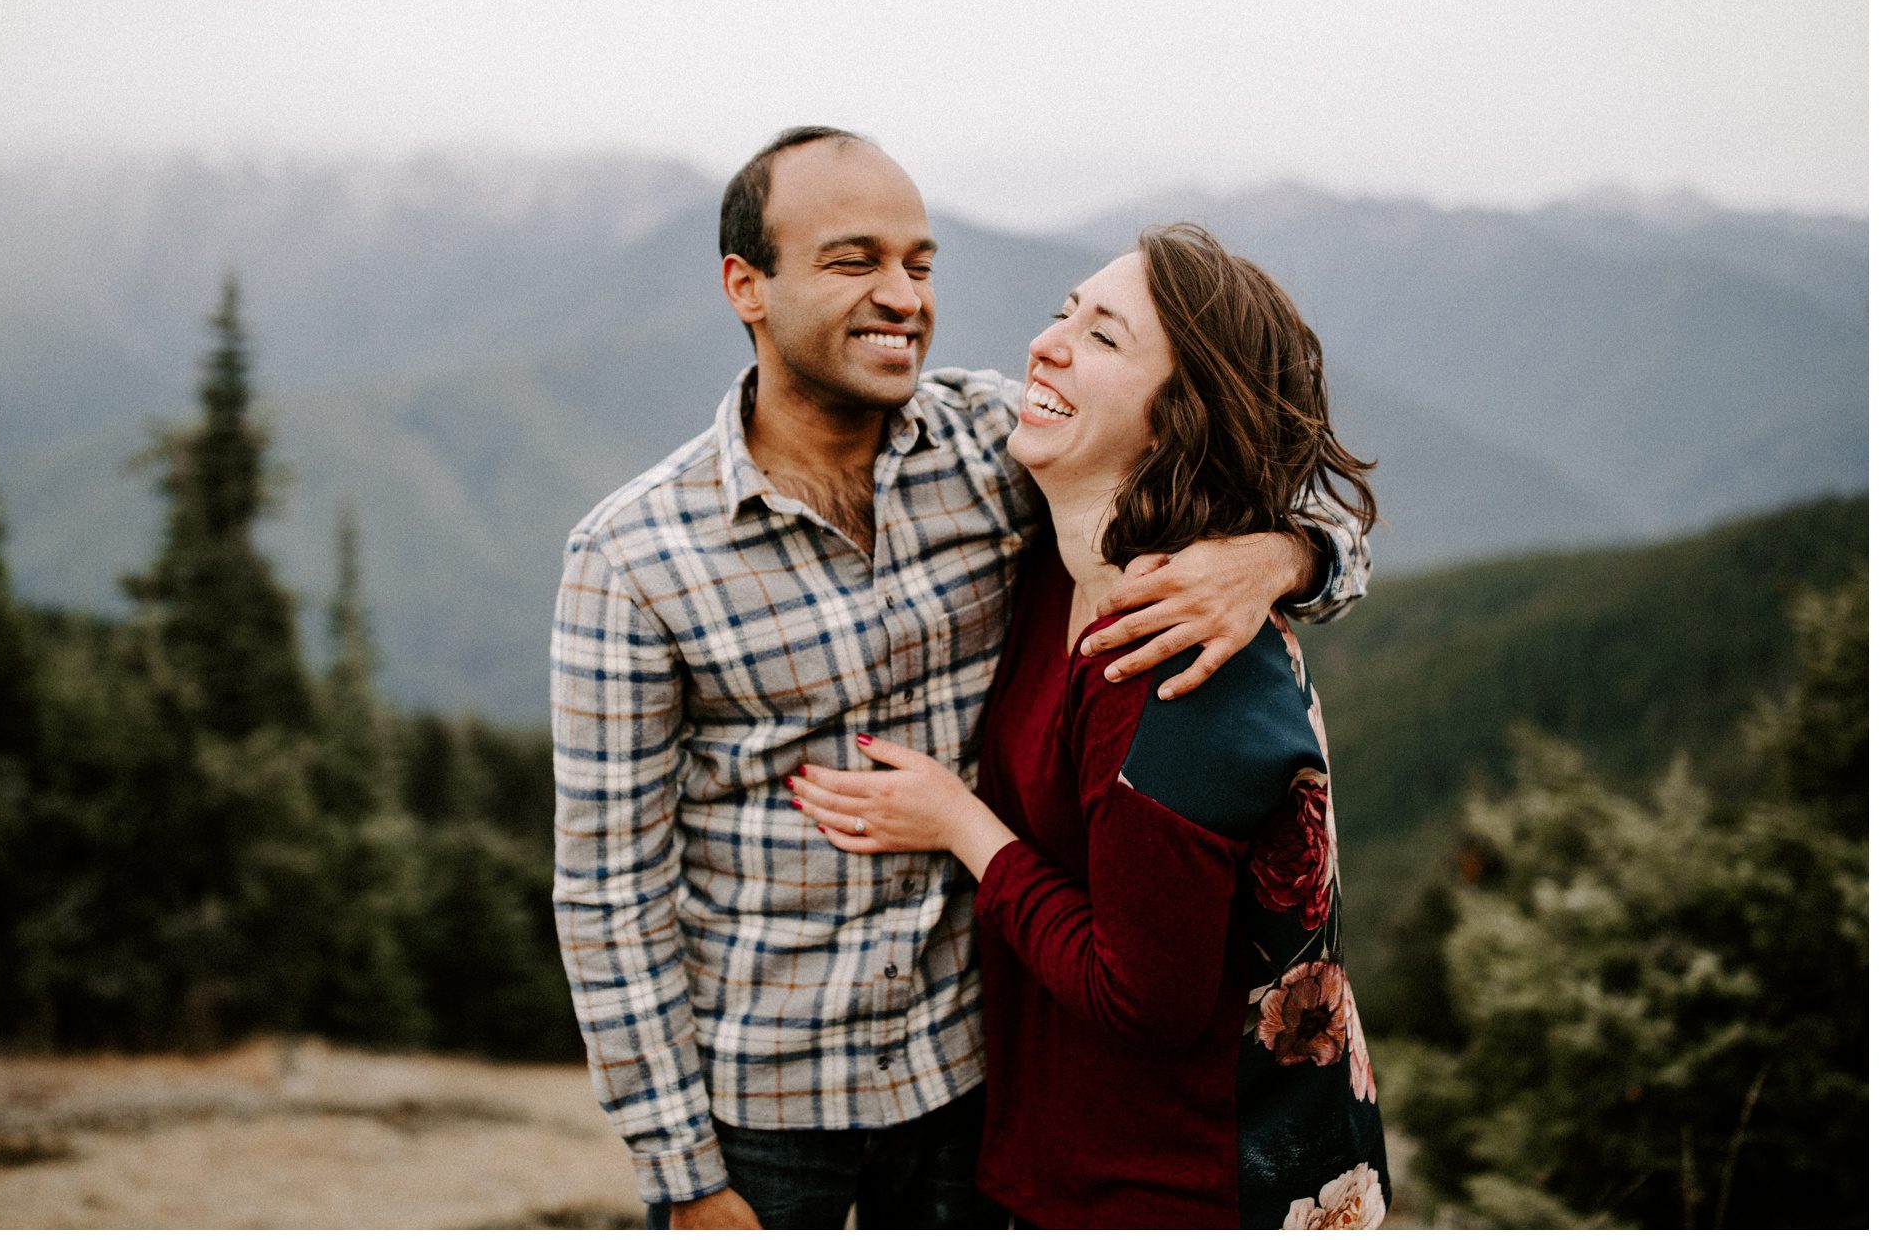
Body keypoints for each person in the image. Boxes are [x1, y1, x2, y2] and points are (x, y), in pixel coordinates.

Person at [551, 129, 1371, 1229]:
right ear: (745, 284)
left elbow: (1247, 458)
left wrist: (1280, 553)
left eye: (920, 263)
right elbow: (609, 887)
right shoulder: (630, 557)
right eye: (853, 260)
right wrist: (682, 1175)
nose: (901, 295)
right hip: (767, 1099)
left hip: (968, 1084)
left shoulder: (993, 449)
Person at [793, 224, 1389, 1227]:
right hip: (1052, 1149)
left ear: (1175, 418)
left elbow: (1139, 1002)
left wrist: (958, 824)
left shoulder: (1174, 665)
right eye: (1064, 309)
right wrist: (1290, 548)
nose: (1046, 342)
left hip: (1176, 1187)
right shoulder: (1049, 560)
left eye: (1102, 336)